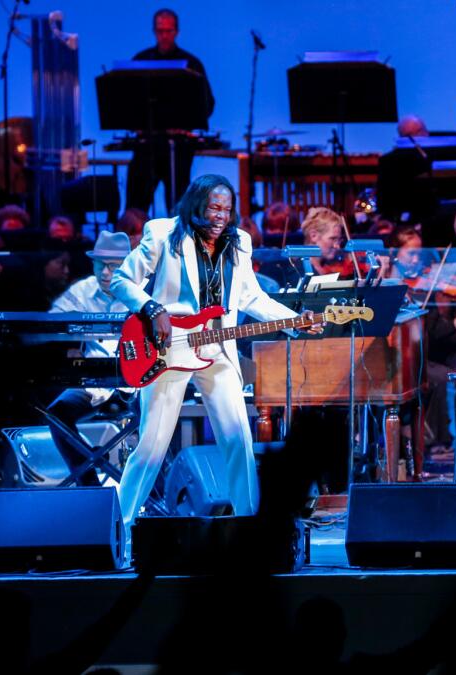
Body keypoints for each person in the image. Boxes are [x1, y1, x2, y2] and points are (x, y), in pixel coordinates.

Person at [110, 175, 320, 545]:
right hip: (167, 347)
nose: (222, 215)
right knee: (151, 447)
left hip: (217, 349)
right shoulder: (163, 233)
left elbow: (251, 298)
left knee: (238, 439)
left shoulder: (239, 242)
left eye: (227, 208)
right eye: (214, 208)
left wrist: (295, 323)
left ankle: (253, 534)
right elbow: (122, 281)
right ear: (196, 204)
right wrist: (152, 306)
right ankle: (119, 531)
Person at [45, 232, 133, 486]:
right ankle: (90, 482)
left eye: (112, 267)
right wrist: (69, 344)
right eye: (99, 265)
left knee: (160, 413)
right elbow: (50, 323)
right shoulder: (82, 290)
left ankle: (152, 490)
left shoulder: (142, 290)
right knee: (55, 414)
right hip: (93, 382)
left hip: (139, 383)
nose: (104, 273)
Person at [126, 9, 215, 213]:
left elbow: (207, 103)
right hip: (146, 146)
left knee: (178, 206)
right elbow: (128, 102)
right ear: (154, 31)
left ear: (177, 31)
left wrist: (186, 122)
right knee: (136, 205)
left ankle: (178, 244)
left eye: (169, 30)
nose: (164, 36)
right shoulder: (141, 60)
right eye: (160, 31)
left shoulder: (191, 63)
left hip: (178, 148)